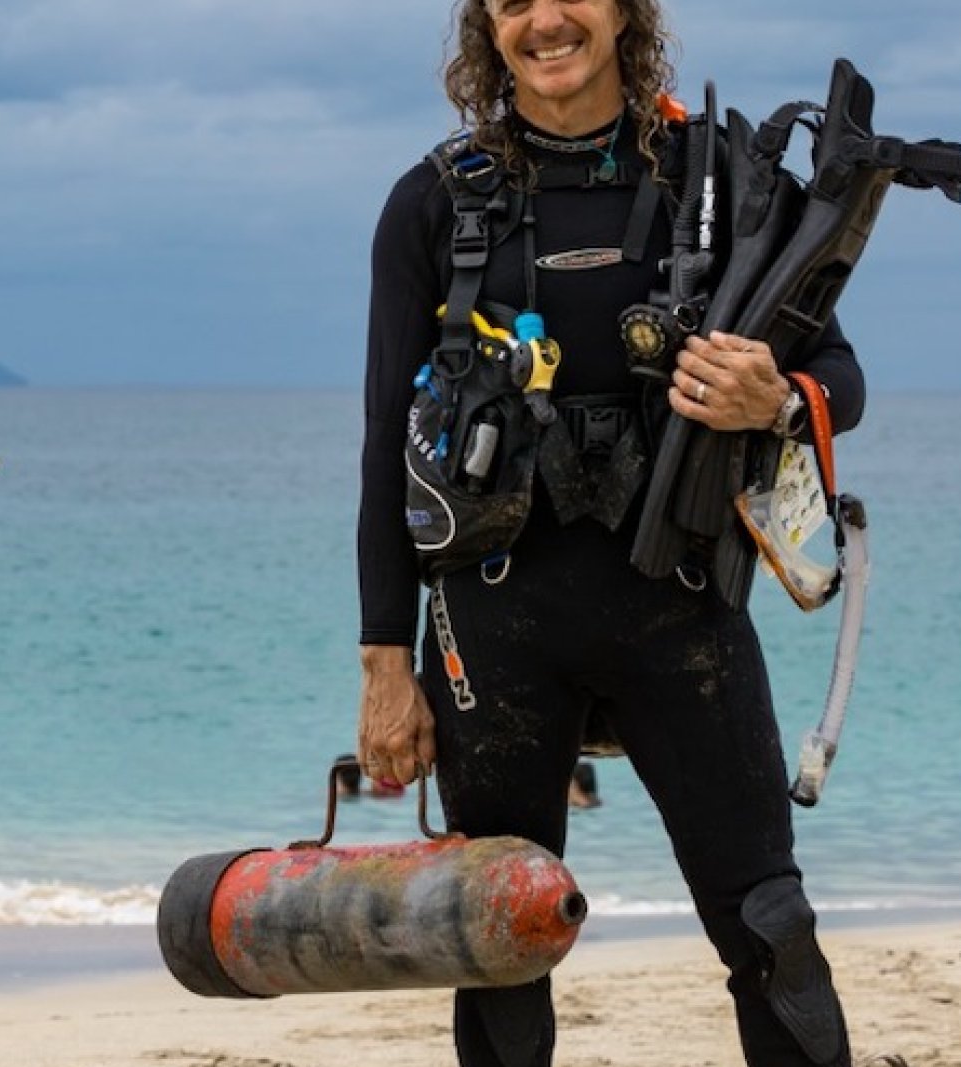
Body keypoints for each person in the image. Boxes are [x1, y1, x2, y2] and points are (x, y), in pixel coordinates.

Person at [354, 2, 885, 1065]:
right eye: (511, 4)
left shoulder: (726, 181)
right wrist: (382, 660)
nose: (545, 21)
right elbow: (383, 438)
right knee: (497, 936)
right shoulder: (433, 200)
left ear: (624, 13)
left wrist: (773, 396)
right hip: (491, 621)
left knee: (766, 919)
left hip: (678, 608)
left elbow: (841, 378)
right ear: (486, 30)